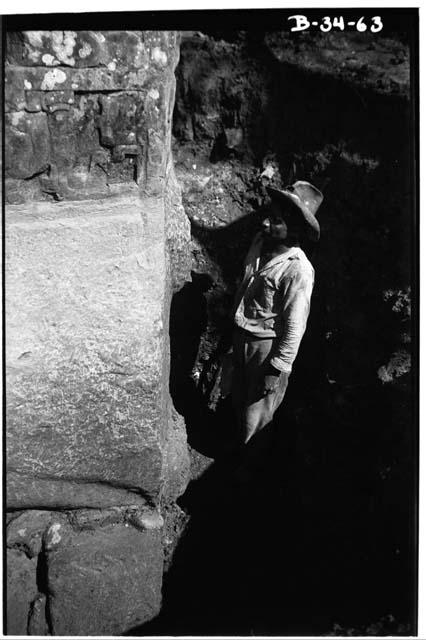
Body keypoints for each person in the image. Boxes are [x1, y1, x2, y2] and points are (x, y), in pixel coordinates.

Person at [231, 181, 323, 458]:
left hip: (266, 349)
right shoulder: (260, 244)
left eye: (276, 221)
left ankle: (247, 471)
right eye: (268, 215)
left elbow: (295, 326)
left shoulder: (298, 270)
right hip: (242, 338)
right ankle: (235, 453)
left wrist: (277, 368)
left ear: (294, 230)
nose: (265, 222)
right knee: (239, 400)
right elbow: (244, 286)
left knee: (257, 417)